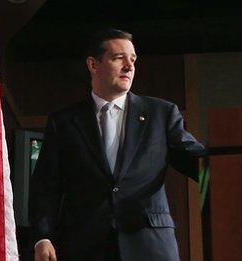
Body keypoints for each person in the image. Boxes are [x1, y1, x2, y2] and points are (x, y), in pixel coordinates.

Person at [29, 28, 205, 261]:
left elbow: (197, 161)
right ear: (93, 64)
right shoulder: (64, 122)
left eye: (132, 59)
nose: (129, 66)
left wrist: (236, 162)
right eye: (118, 58)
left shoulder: (161, 114)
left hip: (149, 245)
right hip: (85, 245)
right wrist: (43, 237)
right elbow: (45, 188)